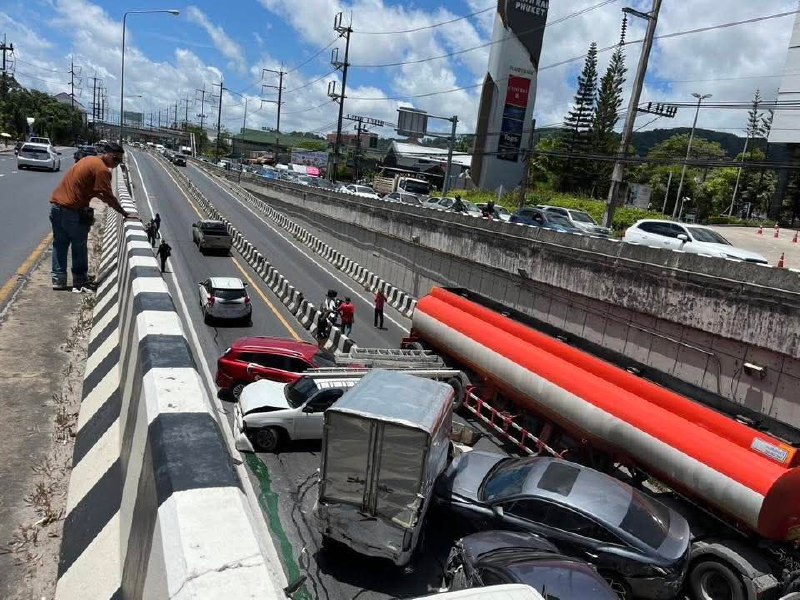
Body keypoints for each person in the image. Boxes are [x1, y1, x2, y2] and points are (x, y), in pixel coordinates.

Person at [50, 142, 135, 290]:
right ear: (107, 154)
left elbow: (94, 190)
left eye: (120, 160)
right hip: (71, 210)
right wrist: (124, 212)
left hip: (57, 207)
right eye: (115, 159)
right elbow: (107, 195)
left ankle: (58, 280)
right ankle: (80, 280)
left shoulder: (88, 160)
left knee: (60, 244)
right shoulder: (102, 170)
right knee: (79, 245)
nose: (117, 163)